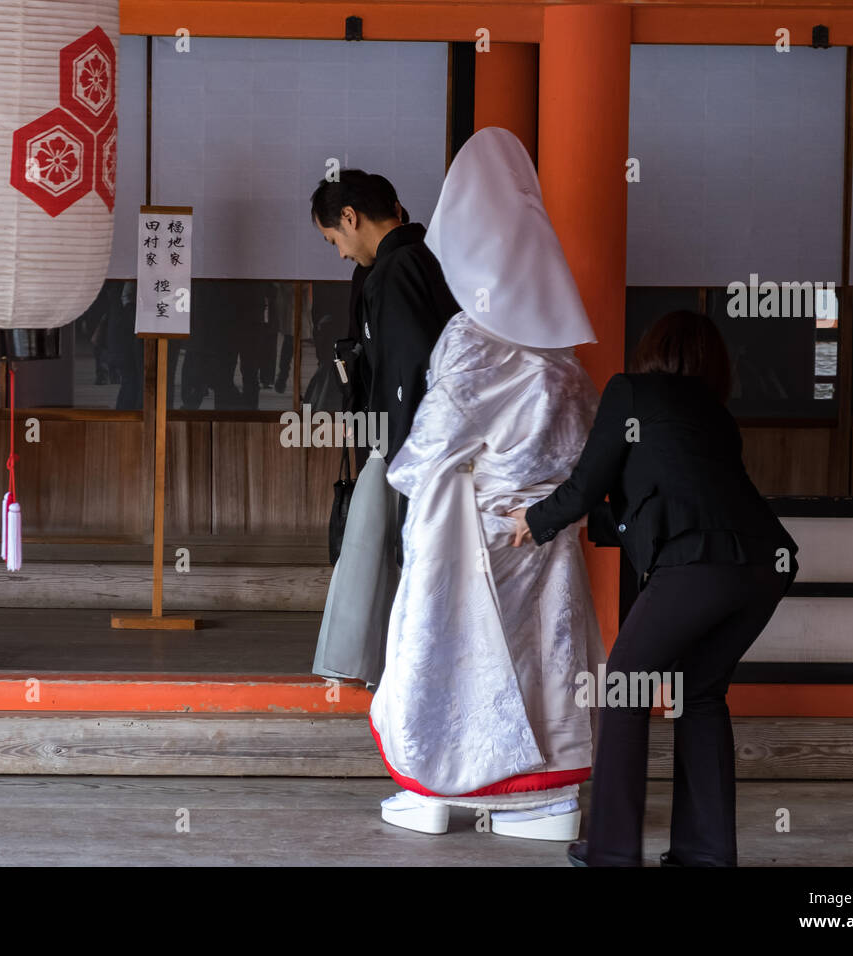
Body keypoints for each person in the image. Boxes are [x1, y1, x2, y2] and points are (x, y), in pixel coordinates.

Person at [368, 126, 606, 839]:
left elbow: (428, 447)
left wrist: (407, 478)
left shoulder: (472, 340)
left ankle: (438, 787)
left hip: (468, 525)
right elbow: (586, 446)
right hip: (545, 528)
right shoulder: (559, 353)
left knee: (444, 647)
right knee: (541, 653)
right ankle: (543, 799)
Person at [509, 309, 801, 867]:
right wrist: (571, 521)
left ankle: (612, 851)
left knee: (624, 688)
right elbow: (657, 500)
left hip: (699, 561)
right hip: (768, 563)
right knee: (701, 692)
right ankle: (706, 853)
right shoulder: (715, 416)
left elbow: (587, 484)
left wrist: (537, 518)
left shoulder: (630, 392)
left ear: (651, 349)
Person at [309, 174, 455, 690]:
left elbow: (411, 366)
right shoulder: (416, 260)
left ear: (350, 217)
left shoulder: (398, 269)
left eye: (335, 241)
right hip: (417, 443)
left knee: (400, 555)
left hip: (411, 446)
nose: (342, 253)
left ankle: (405, 673)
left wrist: (400, 453)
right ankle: (396, 668)